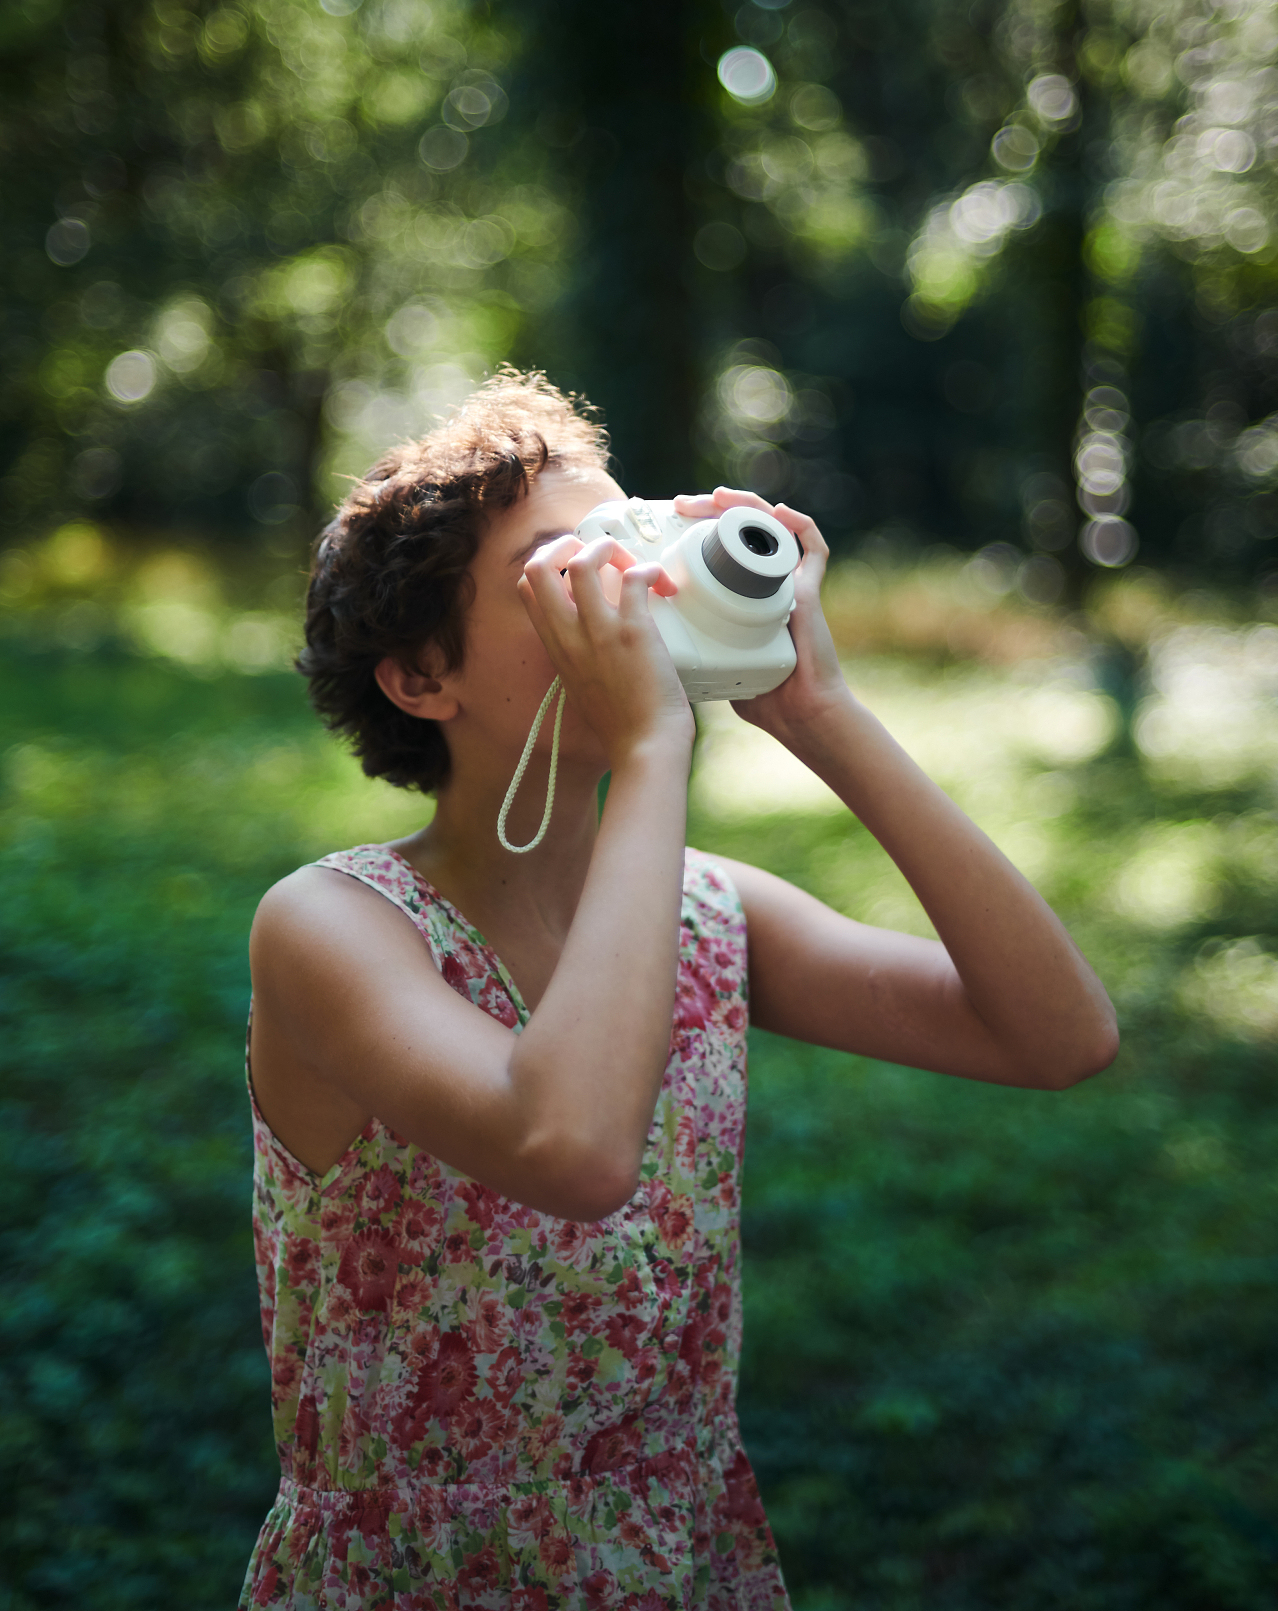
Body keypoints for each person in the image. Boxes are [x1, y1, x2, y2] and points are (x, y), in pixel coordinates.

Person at [241, 369, 1118, 1610]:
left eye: (632, 540)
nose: (635, 590)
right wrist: (657, 748)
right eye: (565, 568)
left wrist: (823, 712)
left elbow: (1059, 1034)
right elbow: (573, 1147)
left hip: (679, 1561)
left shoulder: (712, 914)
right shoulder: (332, 927)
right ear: (421, 676)